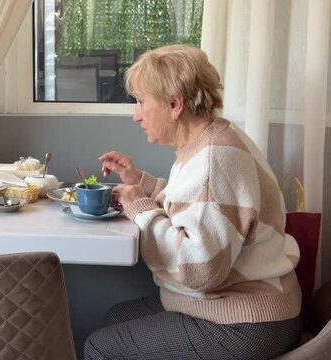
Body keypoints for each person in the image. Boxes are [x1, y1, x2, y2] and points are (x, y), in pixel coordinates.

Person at [84, 45, 302, 359]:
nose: (136, 115)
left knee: (99, 348)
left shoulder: (214, 160)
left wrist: (141, 210)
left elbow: (201, 270)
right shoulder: (211, 140)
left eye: (141, 102)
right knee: (116, 318)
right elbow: (195, 206)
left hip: (245, 322)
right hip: (238, 308)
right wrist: (140, 183)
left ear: (175, 104)